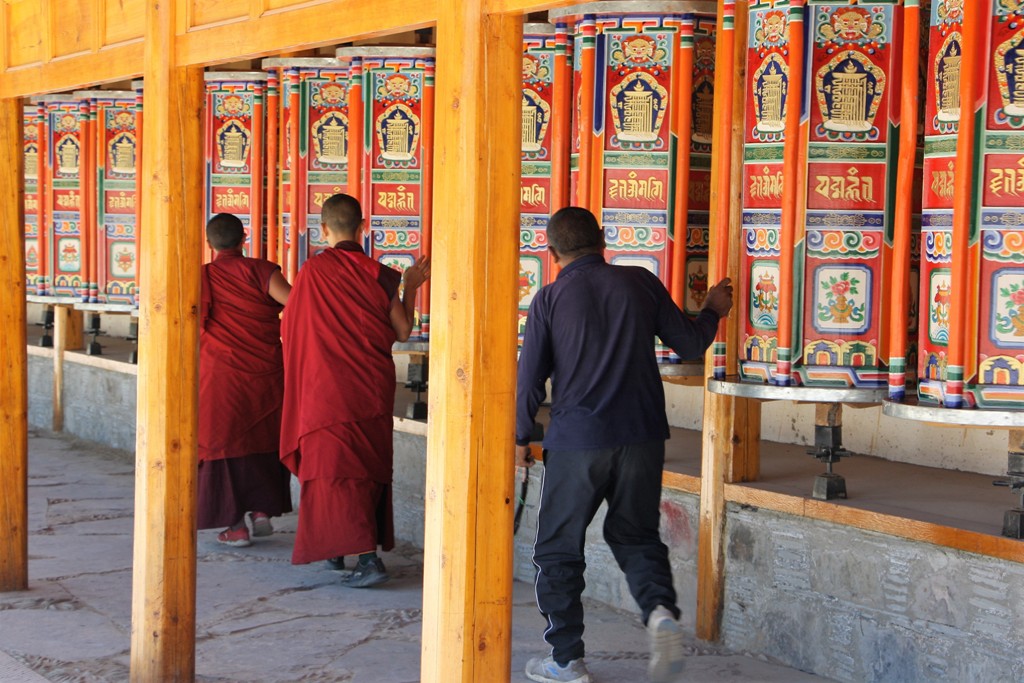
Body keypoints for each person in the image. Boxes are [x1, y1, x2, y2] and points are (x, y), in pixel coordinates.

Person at [515, 207, 733, 683]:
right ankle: (659, 614)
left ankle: (566, 659)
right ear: (603, 240)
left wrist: (518, 437)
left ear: (551, 254)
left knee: (557, 549)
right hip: (641, 434)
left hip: (576, 442)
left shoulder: (548, 298)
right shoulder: (639, 282)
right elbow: (692, 346)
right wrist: (713, 309)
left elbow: (528, 381)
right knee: (635, 535)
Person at [279, 192, 430, 588]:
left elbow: (291, 329)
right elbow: (401, 331)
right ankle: (337, 548)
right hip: (367, 389)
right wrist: (411, 287)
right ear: (363, 228)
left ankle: (366, 559)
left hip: (324, 390)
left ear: (323, 229)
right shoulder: (380, 275)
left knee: (331, 469)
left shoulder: (311, 273)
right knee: (361, 468)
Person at [198, 212, 294, 547]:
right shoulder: (261, 270)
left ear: (209, 244)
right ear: (243, 240)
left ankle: (235, 526)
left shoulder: (203, 277)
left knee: (223, 444)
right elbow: (295, 304)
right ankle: (262, 511)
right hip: (264, 371)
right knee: (262, 438)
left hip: (219, 375)